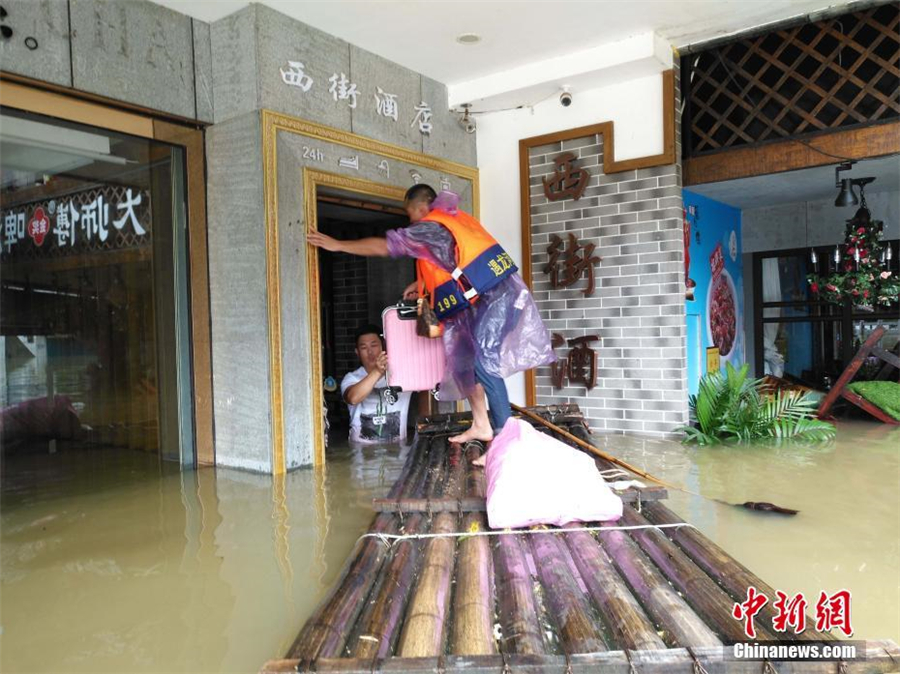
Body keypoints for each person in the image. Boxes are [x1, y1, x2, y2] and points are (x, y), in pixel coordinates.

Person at [310, 185, 554, 456]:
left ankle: (505, 445)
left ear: (421, 206)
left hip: (495, 301)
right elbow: (456, 262)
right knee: (464, 361)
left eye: (409, 212)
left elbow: (384, 246)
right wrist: (422, 282)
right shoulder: (449, 221)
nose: (410, 219)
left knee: (484, 365)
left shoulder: (430, 225)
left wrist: (338, 245)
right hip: (489, 299)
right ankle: (482, 424)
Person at [340, 324, 412, 444]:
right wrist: (378, 371)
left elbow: (427, 385)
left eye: (374, 345)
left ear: (384, 347)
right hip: (361, 453)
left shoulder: (402, 375)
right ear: (357, 352)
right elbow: (353, 398)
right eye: (363, 348)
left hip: (397, 452)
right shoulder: (351, 378)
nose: (370, 352)